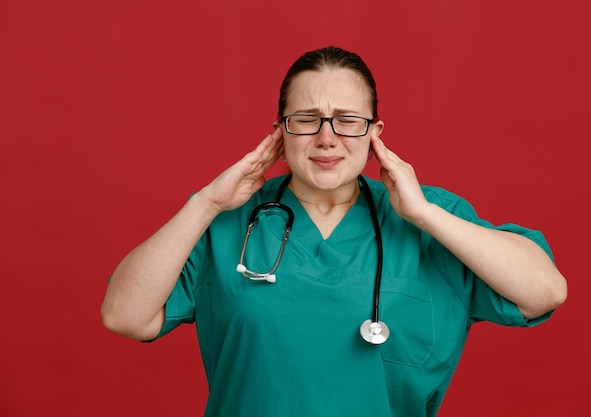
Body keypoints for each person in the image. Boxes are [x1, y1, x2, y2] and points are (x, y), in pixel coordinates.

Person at [101, 46, 567, 417]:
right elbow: (124, 315)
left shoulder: (433, 219)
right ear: (280, 133)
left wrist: (424, 215)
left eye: (348, 121)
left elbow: (544, 291)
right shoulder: (227, 221)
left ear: (374, 133)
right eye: (306, 120)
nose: (328, 138)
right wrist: (206, 203)